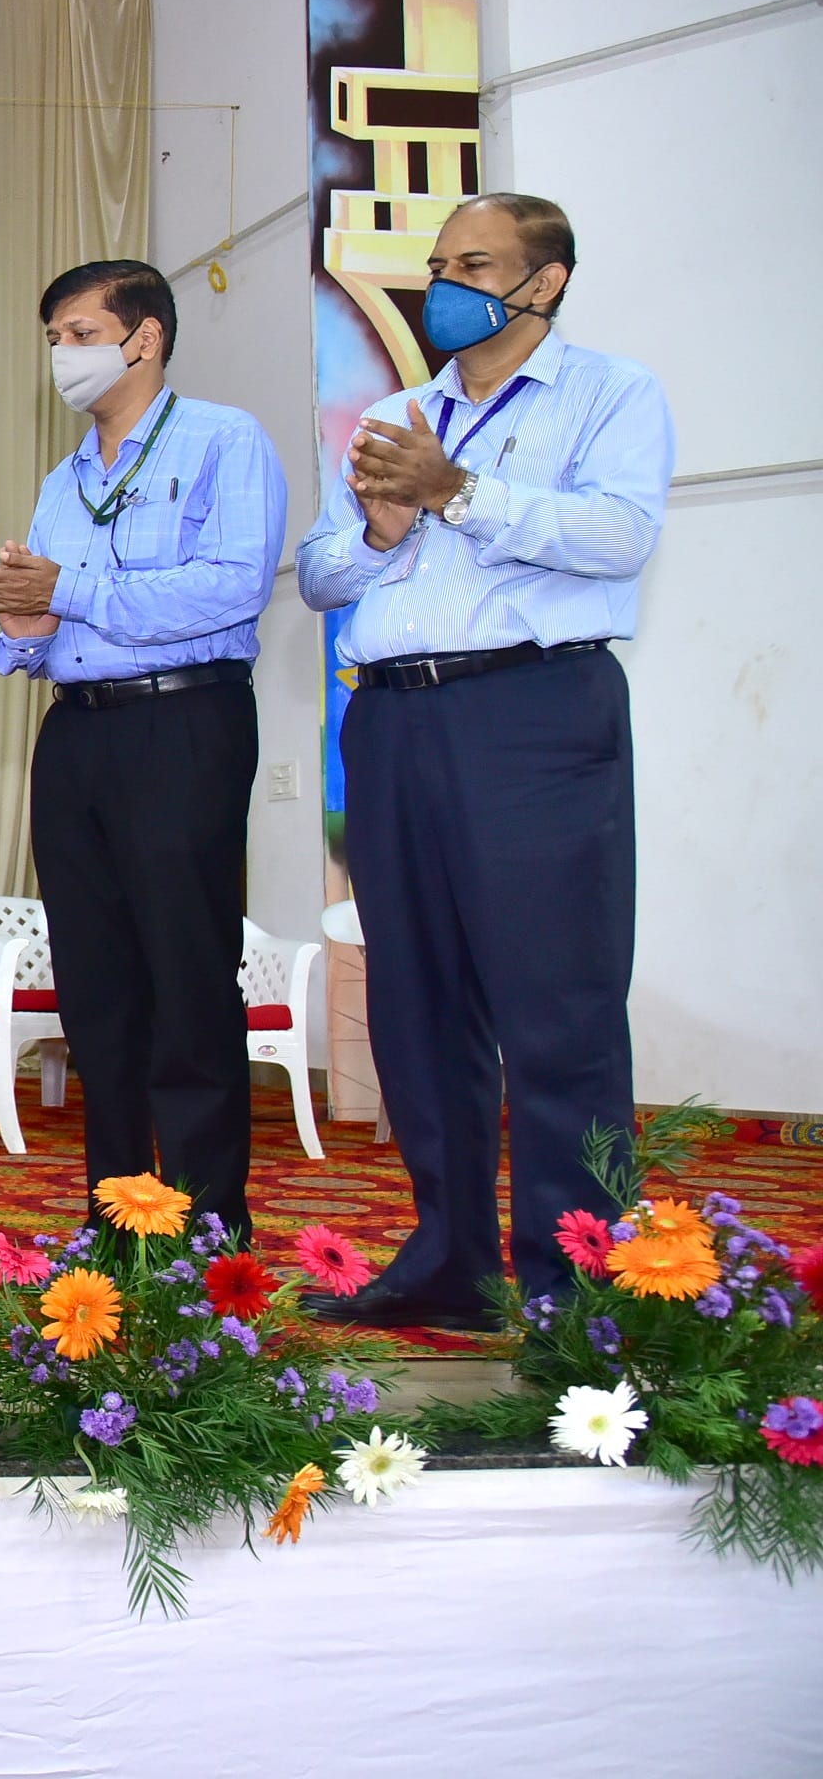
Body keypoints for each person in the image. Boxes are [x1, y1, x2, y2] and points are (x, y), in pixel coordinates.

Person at [298, 194, 668, 1327]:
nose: (443, 285)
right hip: (391, 719)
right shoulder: (396, 413)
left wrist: (455, 493)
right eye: (438, 264)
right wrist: (379, 532)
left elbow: (619, 536)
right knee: (417, 1004)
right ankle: (450, 1260)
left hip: (530, 713)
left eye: (474, 265)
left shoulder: (609, 393)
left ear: (544, 281)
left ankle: (579, 1286)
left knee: (554, 1006)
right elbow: (319, 573)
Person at [0, 261, 287, 1242]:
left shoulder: (222, 439)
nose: (62, 354)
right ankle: (118, 1214)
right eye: (53, 338)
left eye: (80, 334)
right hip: (75, 732)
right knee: (96, 991)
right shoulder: (64, 481)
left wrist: (68, 591)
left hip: (182, 723)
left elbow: (232, 585)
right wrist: (18, 621)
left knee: (186, 975)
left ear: (144, 338)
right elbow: (42, 634)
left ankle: (207, 1222)